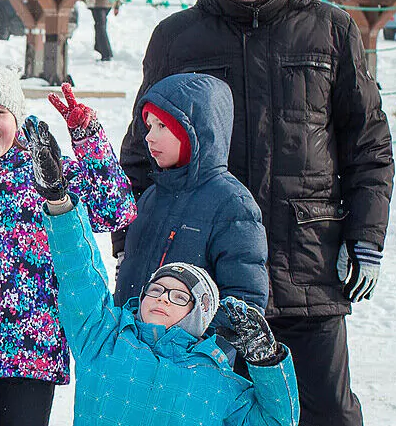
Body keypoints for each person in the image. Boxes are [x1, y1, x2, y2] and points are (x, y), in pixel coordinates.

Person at [117, 0, 393, 426]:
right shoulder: (177, 37)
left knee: (326, 412)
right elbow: (142, 152)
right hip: (203, 274)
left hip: (307, 263)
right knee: (213, 411)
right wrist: (138, 241)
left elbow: (368, 145)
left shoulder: (331, 30)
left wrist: (367, 237)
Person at [24, 118, 299, 426]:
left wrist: (266, 360)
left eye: (179, 296)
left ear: (200, 314)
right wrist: (58, 199)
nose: (163, 299)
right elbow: (79, 275)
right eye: (155, 290)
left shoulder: (220, 384)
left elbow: (276, 422)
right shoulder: (104, 340)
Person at [0, 60, 136, 426]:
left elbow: (116, 210)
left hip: (34, 347)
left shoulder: (44, 167)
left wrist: (87, 137)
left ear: (15, 116)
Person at [113, 73, 268, 324]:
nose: (149, 136)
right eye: (149, 126)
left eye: (162, 126)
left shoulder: (233, 205)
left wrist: (197, 353)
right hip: (134, 354)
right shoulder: (151, 197)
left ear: (196, 131)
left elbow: (244, 302)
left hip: (188, 358)